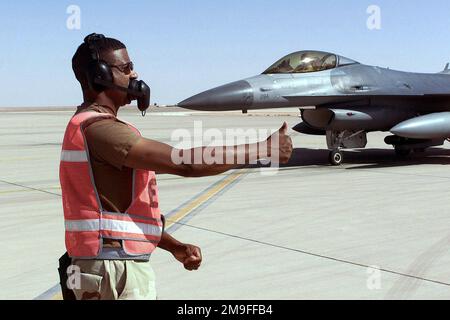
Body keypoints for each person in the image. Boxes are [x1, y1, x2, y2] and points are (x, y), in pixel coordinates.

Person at [59, 33, 293, 300]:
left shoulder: (87, 125)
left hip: (106, 265)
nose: (134, 74)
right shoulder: (101, 130)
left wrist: (173, 246)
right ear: (100, 74)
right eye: (125, 68)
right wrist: (265, 149)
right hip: (114, 271)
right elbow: (185, 163)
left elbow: (117, 217)